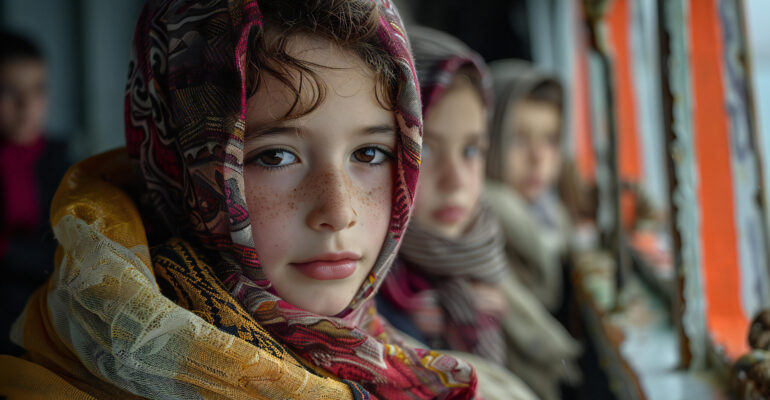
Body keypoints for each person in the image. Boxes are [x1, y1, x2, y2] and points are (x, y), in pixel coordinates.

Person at [0, 1, 479, 399]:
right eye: (275, 156)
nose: (338, 212)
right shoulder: (79, 371)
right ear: (183, 162)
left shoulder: (396, 360)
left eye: (369, 153)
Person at [377, 28, 580, 400]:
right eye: (425, 150)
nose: (455, 181)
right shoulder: (370, 305)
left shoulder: (482, 260)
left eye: (471, 150)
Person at [0, 30, 69, 356]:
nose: (26, 105)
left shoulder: (66, 169)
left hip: (50, 321)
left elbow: (65, 256)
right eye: (8, 91)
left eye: (38, 90)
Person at [485, 60, 571, 313]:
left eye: (550, 139)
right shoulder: (481, 229)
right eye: (518, 139)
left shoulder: (554, 213)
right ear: (488, 139)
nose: (537, 157)